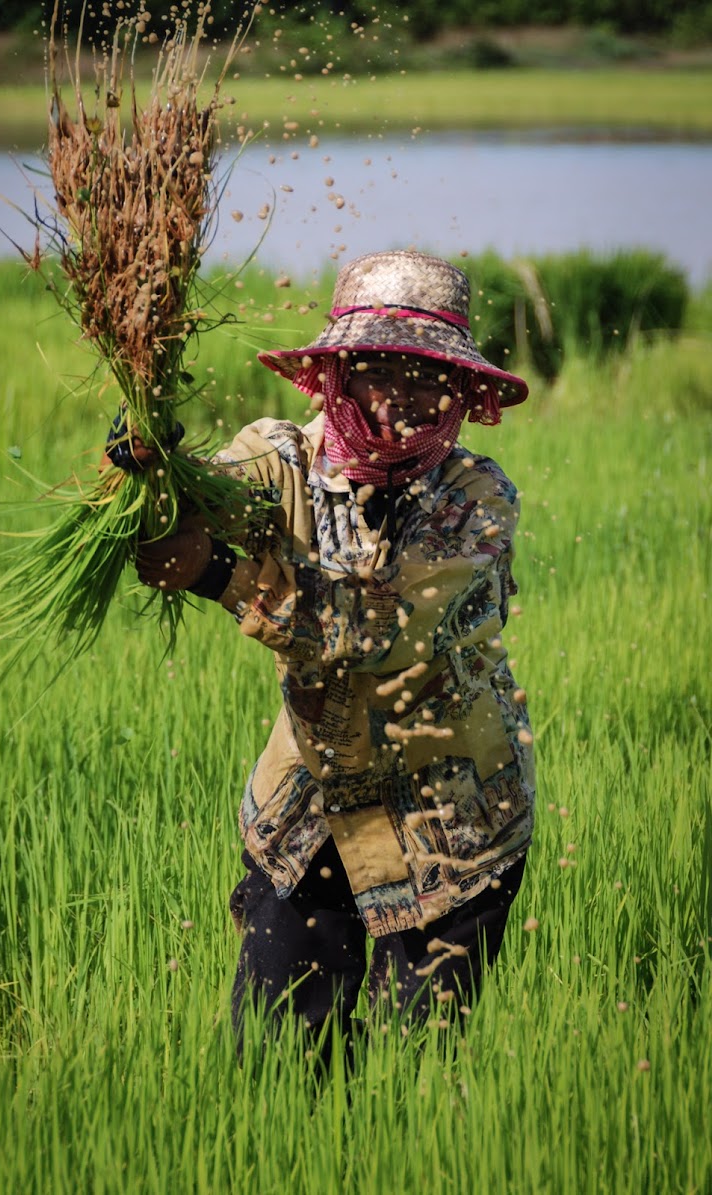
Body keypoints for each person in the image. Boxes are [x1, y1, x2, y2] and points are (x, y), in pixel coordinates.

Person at [133, 250, 536, 1059]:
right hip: (309, 816)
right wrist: (156, 471)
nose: (401, 398)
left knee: (411, 1078)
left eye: (426, 376)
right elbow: (221, 491)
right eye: (377, 369)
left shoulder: (476, 501)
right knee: (279, 1063)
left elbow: (378, 631)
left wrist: (218, 574)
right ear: (337, 373)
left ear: (460, 388)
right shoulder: (285, 456)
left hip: (449, 833)